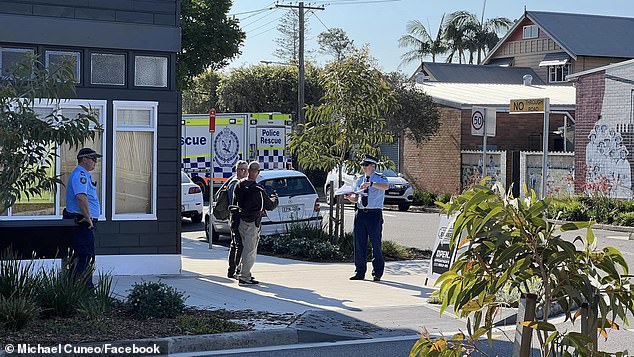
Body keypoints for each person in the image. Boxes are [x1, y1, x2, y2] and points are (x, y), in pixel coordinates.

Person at [344, 154, 389, 282]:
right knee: (359, 243)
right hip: (361, 213)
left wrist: (372, 184)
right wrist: (349, 197)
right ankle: (359, 271)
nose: (363, 167)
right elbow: (357, 198)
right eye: (362, 165)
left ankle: (377, 273)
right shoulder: (359, 180)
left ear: (373, 166)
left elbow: (385, 187)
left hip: (374, 214)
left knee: (376, 244)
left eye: (366, 165)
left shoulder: (380, 178)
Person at [233, 161, 278, 285]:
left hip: (241, 219)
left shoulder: (239, 185)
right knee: (250, 250)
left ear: (247, 170)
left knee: (243, 248)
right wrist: (275, 199)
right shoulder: (258, 189)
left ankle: (240, 271)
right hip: (252, 222)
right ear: (257, 172)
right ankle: (244, 277)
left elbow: (235, 201)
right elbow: (269, 205)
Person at [63, 147, 102, 287]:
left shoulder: (84, 174)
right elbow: (80, 197)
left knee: (84, 256)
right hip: (82, 222)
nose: (95, 162)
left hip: (83, 221)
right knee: (84, 256)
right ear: (84, 159)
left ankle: (77, 288)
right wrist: (88, 218)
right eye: (93, 159)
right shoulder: (81, 175)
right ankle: (84, 289)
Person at [227, 160, 249, 279]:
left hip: (237, 218)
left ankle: (232, 270)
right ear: (237, 170)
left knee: (234, 244)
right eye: (241, 169)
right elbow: (234, 204)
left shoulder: (240, 183)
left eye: (246, 169)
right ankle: (235, 270)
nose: (244, 172)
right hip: (236, 218)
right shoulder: (235, 184)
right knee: (239, 245)